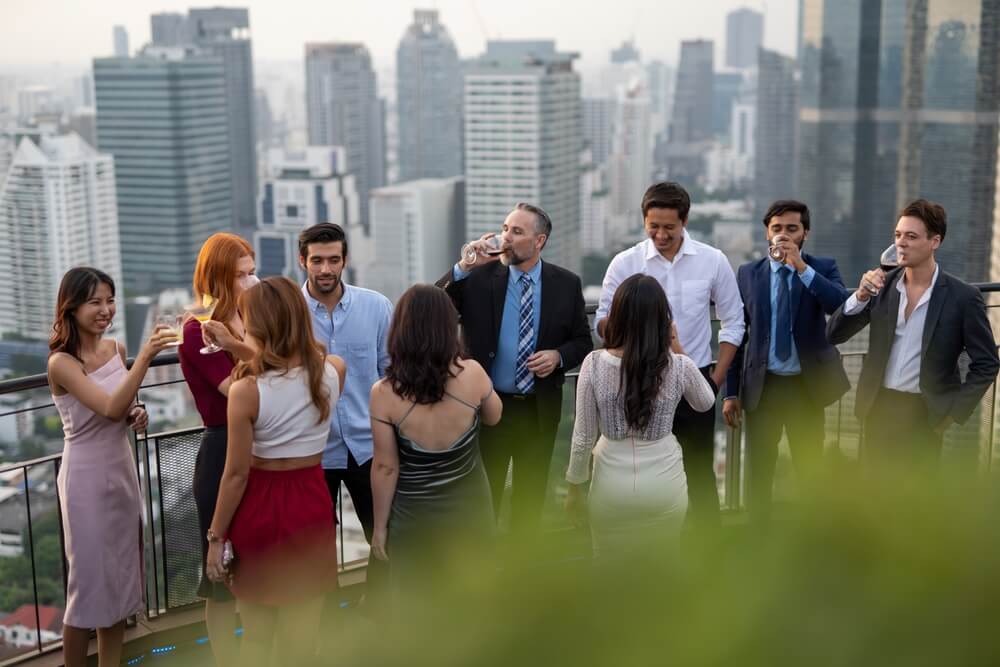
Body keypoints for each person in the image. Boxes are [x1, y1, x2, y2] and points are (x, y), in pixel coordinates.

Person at [206, 277, 345, 667]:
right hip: (311, 503)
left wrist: (216, 538)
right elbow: (299, 367)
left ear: (257, 328)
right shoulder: (332, 372)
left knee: (256, 638)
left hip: (260, 508)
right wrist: (241, 348)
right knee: (302, 641)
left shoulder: (246, 391)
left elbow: (234, 475)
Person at [436, 203, 593, 540]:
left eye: (517, 231)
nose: (506, 237)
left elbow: (583, 341)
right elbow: (433, 306)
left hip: (538, 411)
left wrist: (558, 356)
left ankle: (521, 575)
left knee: (529, 501)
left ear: (540, 241)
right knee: (482, 499)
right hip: (486, 409)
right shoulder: (478, 279)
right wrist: (463, 266)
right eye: (505, 228)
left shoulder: (565, 284)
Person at [47, 267, 176, 667]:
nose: (105, 310)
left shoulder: (117, 350)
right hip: (85, 479)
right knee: (86, 588)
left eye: (109, 300)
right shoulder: (62, 363)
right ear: (71, 307)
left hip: (121, 471)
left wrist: (136, 413)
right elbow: (106, 405)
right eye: (94, 302)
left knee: (119, 581)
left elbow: (120, 407)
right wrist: (148, 357)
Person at [596, 182, 744, 527]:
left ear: (685, 221)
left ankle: (706, 552)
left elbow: (734, 322)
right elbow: (602, 322)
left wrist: (714, 379)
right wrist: (632, 329)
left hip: (696, 382)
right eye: (653, 226)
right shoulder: (626, 262)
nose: (660, 235)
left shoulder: (713, 260)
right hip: (638, 382)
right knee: (640, 470)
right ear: (644, 220)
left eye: (669, 227)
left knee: (699, 473)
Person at [827, 199, 1000, 467]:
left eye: (911, 236)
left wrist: (951, 414)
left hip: (926, 415)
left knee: (915, 504)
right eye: (897, 235)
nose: (901, 243)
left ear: (935, 241)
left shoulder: (963, 297)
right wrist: (860, 296)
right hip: (877, 408)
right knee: (873, 501)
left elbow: (987, 363)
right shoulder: (882, 286)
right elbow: (835, 334)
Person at [369, 285, 502, 606]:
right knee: (473, 604)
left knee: (418, 610)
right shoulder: (473, 374)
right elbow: (494, 417)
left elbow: (386, 467)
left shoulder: (384, 392)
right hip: (471, 513)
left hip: (414, 521)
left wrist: (379, 529)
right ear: (448, 327)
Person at [567, 275, 715, 557]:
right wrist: (677, 346)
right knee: (663, 566)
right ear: (663, 320)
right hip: (664, 483)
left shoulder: (594, 364)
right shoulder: (678, 366)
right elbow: (705, 402)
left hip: (611, 486)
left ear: (616, 317)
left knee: (609, 569)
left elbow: (583, 437)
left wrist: (574, 488)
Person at [722, 200, 850, 525]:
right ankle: (758, 537)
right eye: (777, 228)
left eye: (791, 229)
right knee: (759, 473)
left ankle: (809, 535)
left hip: (807, 389)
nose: (783, 235)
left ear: (805, 233)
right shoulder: (749, 274)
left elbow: (840, 305)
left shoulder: (823, 266)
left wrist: (802, 270)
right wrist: (731, 392)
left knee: (809, 468)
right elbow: (739, 335)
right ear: (767, 232)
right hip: (764, 389)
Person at [297, 223, 392, 594]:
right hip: (312, 451)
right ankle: (327, 626)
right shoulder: (289, 313)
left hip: (369, 446)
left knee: (384, 538)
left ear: (345, 260)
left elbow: (389, 373)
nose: (325, 269)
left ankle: (378, 611)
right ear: (302, 260)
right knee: (315, 550)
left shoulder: (376, 306)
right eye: (317, 260)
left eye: (333, 260)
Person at [177, 233, 258, 665]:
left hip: (265, 444)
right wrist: (246, 347)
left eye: (251, 272)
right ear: (218, 278)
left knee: (261, 566)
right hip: (224, 445)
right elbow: (237, 389)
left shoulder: (253, 317)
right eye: (239, 275)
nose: (249, 282)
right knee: (222, 574)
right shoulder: (198, 331)